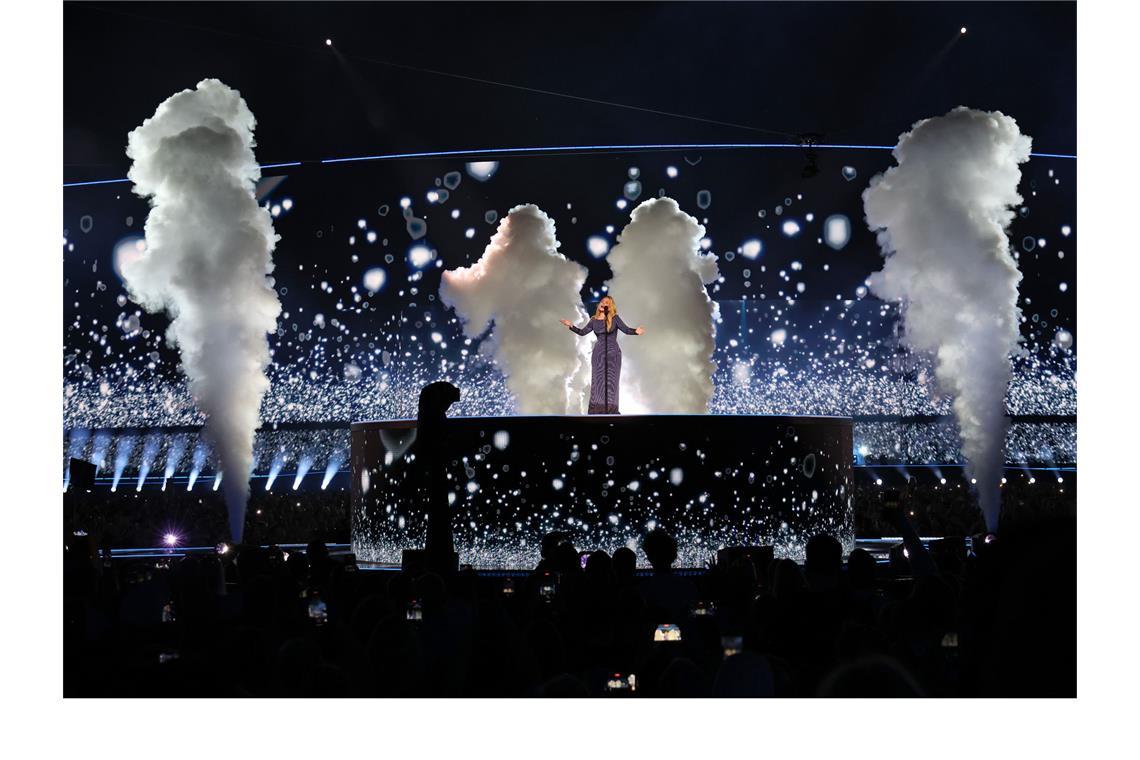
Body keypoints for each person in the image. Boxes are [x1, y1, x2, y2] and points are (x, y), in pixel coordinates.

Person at [560, 295, 645, 414]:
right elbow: (582, 332)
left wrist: (636, 331)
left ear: (610, 307)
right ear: (599, 304)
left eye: (607, 303)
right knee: (598, 380)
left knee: (611, 381)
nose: (604, 303)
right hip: (599, 354)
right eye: (603, 301)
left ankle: (611, 409)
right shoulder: (593, 320)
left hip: (613, 354)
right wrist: (571, 325)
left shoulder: (614, 318)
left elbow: (626, 330)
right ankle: (597, 409)